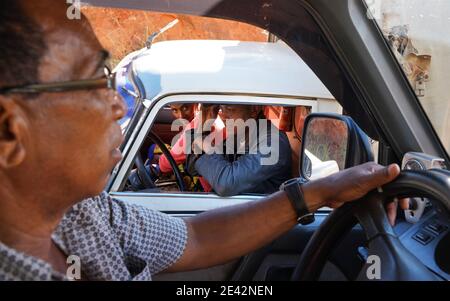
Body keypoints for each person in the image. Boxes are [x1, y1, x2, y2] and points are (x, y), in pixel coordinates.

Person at [0, 0, 407, 280]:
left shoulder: (85, 215)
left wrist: (318, 192)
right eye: (92, 82)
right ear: (9, 131)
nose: (117, 108)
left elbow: (197, 236)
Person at [190, 104, 292, 196]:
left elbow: (226, 184)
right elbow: (192, 168)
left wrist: (208, 149)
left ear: (254, 110)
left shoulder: (274, 143)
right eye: (221, 109)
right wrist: (204, 126)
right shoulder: (239, 135)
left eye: (229, 109)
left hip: (263, 213)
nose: (223, 116)